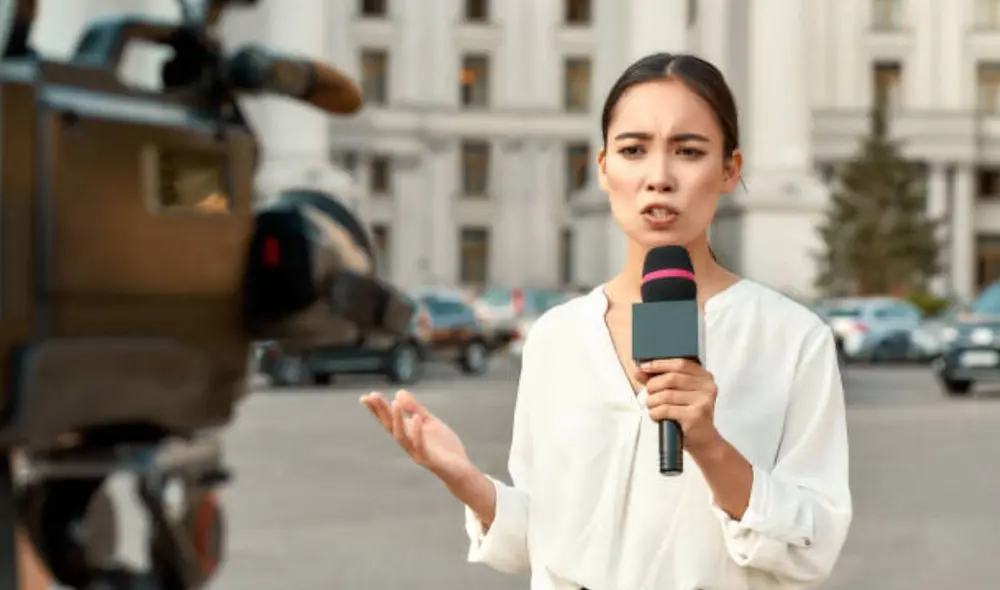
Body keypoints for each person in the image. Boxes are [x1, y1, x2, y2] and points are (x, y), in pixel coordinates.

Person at [361, 52, 852, 590]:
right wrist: (464, 478)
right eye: (634, 150)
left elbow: (812, 547)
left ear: (729, 169)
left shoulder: (791, 339)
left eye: (688, 151)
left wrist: (709, 444)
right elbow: (546, 538)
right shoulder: (556, 337)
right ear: (603, 168)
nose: (658, 178)